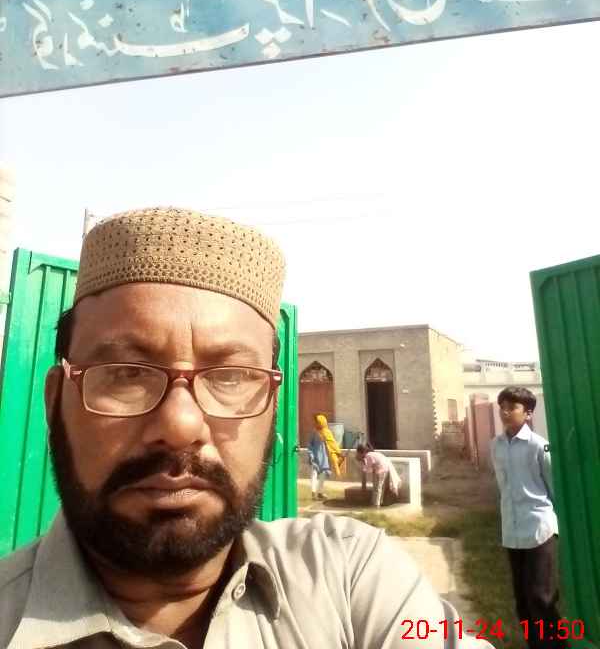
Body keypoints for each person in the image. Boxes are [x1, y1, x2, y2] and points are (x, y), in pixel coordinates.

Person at [0, 207, 492, 648]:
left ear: (272, 411)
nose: (181, 425)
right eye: (128, 373)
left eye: (230, 377)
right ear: (55, 400)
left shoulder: (351, 579)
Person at [491, 386, 564, 649]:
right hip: (512, 531)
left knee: (540, 597)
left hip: (538, 529)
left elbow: (554, 487)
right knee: (522, 600)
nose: (505, 412)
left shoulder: (539, 446)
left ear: (529, 413)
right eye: (502, 407)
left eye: (512, 407)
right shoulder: (496, 446)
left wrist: (556, 523)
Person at [307, 413, 345, 500]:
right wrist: (311, 454)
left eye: (317, 422)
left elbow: (333, 444)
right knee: (314, 474)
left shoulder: (327, 432)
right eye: (316, 422)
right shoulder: (314, 433)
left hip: (324, 458)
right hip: (315, 457)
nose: (316, 423)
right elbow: (310, 444)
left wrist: (338, 453)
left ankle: (320, 492)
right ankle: (313, 493)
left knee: (323, 475)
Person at [355, 443, 401, 507]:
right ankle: (379, 502)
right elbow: (368, 469)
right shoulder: (370, 455)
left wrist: (363, 487)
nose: (356, 454)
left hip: (381, 469)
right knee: (379, 487)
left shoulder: (368, 456)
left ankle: (375, 505)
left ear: (361, 453)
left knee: (377, 488)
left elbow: (366, 471)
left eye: (357, 453)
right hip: (384, 468)